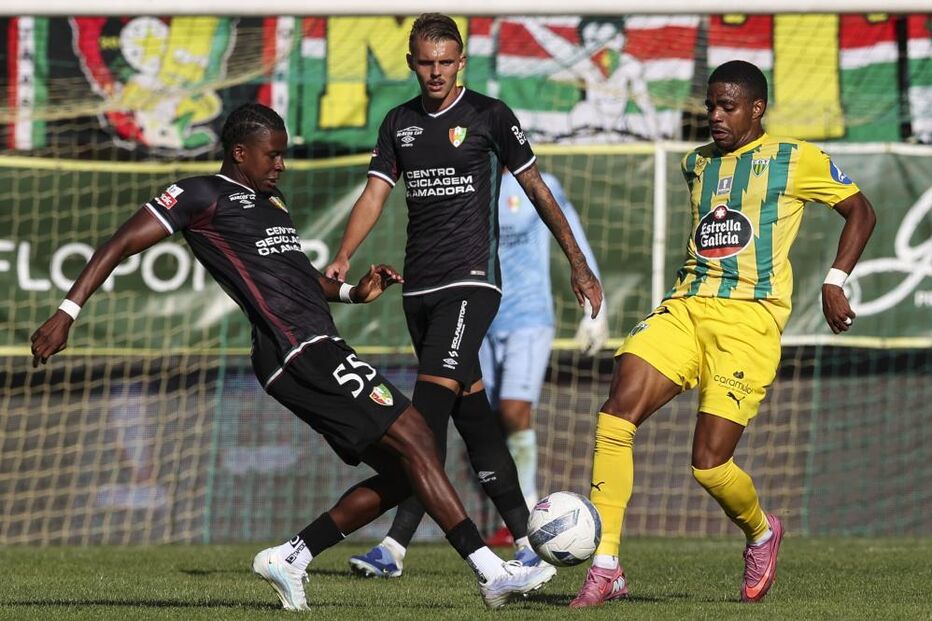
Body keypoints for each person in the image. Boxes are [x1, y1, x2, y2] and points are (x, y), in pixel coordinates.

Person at [29, 103, 558, 611]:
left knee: (406, 471)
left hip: (316, 342)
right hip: (297, 349)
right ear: (239, 152)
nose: (280, 164)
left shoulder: (272, 204)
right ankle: (493, 572)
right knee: (420, 436)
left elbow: (300, 280)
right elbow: (118, 244)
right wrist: (67, 311)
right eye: (271, 154)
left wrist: (353, 292)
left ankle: (291, 556)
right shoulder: (199, 195)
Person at [570, 60, 876, 608]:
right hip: (686, 308)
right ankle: (606, 564)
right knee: (616, 414)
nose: (715, 115)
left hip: (748, 324)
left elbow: (861, 211)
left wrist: (835, 280)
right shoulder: (696, 163)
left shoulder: (795, 157)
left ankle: (761, 532)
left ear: (756, 109)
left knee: (708, 464)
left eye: (727, 106)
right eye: (710, 105)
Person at [324, 13, 603, 579]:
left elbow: (537, 189)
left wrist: (578, 263)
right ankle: (529, 539)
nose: (435, 72)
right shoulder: (398, 123)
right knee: (474, 419)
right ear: (410, 62)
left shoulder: (489, 115)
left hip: (472, 285)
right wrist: (344, 254)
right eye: (425, 62)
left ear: (461, 63)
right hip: (418, 291)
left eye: (445, 62)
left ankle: (394, 547)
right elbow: (375, 193)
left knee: (420, 423)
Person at [483, 169, 608, 548]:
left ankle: (526, 510)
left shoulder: (541, 184)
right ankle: (508, 515)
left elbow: (574, 235)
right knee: (487, 419)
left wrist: (597, 307)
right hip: (482, 317)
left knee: (515, 409)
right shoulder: (473, 181)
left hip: (529, 317)